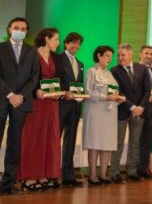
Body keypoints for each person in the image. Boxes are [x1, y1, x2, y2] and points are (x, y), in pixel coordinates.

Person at [0, 17, 39, 197]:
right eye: (16, 27)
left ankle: (8, 184)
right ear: (9, 29)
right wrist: (10, 95)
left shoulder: (31, 51)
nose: (19, 31)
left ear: (27, 32)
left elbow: (34, 77)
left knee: (15, 144)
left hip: (21, 103)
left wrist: (20, 96)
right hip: (0, 101)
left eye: (23, 29)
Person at [18, 28, 63, 191]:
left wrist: (60, 92)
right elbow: (24, 78)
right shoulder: (31, 54)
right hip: (35, 103)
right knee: (34, 138)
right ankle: (29, 177)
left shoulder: (56, 57)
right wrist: (35, 90)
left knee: (49, 139)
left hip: (52, 104)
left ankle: (44, 174)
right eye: (56, 39)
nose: (58, 43)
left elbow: (60, 78)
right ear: (46, 38)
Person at [109, 43, 152, 182]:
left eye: (123, 55)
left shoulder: (142, 69)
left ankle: (132, 171)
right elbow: (118, 92)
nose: (120, 58)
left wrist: (140, 107)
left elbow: (147, 90)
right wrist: (133, 107)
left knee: (135, 143)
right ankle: (115, 172)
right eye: (119, 55)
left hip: (139, 112)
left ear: (130, 54)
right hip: (122, 111)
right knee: (118, 143)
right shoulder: (114, 70)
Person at [83, 45, 125, 185]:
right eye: (107, 56)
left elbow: (113, 92)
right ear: (99, 55)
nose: (109, 59)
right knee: (95, 143)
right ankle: (93, 175)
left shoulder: (109, 74)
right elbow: (88, 92)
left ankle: (103, 174)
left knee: (107, 144)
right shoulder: (91, 71)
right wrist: (104, 97)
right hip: (96, 111)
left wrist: (118, 98)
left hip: (109, 113)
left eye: (111, 57)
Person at [56, 32, 85, 187]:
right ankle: (53, 175)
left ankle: (68, 176)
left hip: (75, 107)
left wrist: (81, 95)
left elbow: (78, 84)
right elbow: (54, 81)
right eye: (73, 43)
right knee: (55, 140)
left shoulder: (80, 64)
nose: (75, 46)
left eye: (78, 43)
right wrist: (63, 94)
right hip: (60, 105)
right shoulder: (58, 59)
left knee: (70, 141)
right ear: (66, 43)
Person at [138, 45, 152, 178]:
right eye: (146, 53)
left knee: (147, 142)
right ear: (140, 54)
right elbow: (135, 90)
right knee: (136, 142)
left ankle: (143, 169)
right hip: (140, 111)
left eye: (151, 54)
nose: (149, 56)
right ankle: (133, 169)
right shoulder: (135, 69)